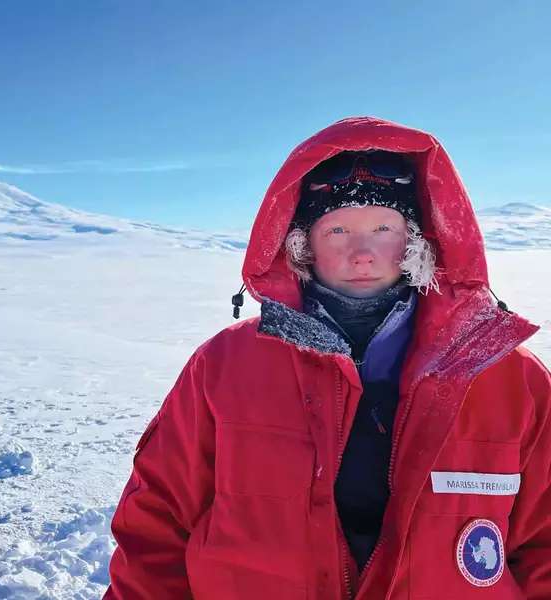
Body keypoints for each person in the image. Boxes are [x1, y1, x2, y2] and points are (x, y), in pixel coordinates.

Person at [103, 116, 551, 599]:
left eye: (383, 227)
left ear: (417, 241)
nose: (362, 253)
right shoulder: (226, 364)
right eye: (337, 230)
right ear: (302, 245)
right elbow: (158, 523)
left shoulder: (506, 376)